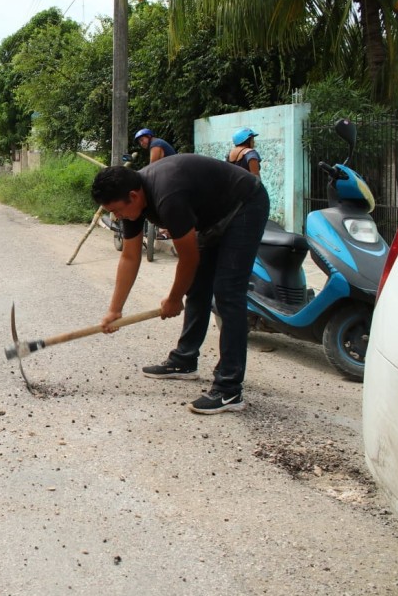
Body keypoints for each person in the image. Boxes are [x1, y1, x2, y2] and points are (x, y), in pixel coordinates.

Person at [90, 155, 269, 414]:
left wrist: (174, 298)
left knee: (228, 292)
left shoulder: (167, 197)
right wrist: (114, 310)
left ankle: (229, 389)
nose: (117, 217)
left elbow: (189, 258)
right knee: (197, 287)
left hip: (245, 204)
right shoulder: (132, 202)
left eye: (117, 210)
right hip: (212, 213)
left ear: (134, 196)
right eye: (112, 213)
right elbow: (130, 257)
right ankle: (184, 361)